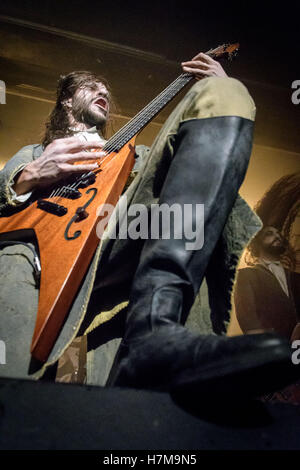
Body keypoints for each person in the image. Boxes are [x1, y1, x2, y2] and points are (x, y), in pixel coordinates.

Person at [0, 51, 298, 398]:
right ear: (66, 101)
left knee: (226, 95)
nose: (104, 92)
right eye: (91, 86)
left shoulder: (133, 156)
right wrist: (30, 174)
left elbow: (188, 186)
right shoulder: (36, 152)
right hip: (38, 255)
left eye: (106, 90)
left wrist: (219, 84)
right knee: (17, 393)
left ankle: (153, 332)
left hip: (116, 245)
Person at [234, 225, 300, 341]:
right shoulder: (246, 276)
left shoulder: (295, 277)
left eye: (278, 233)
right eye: (269, 234)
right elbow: (248, 321)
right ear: (255, 242)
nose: (277, 237)